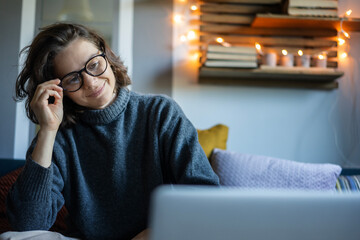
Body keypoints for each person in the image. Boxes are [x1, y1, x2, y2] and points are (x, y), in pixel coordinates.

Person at [4, 23, 219, 240]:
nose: (91, 82)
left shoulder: (160, 112)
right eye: (73, 78)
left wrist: (158, 231)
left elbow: (205, 195)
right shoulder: (58, 136)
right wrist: (48, 130)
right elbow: (27, 225)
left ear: (105, 55)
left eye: (94, 64)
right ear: (59, 91)